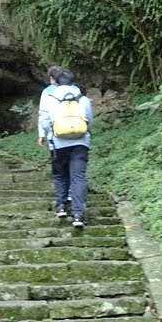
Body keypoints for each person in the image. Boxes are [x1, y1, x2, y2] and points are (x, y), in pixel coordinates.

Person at [37, 67, 93, 228]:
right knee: (78, 177)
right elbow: (89, 120)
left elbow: (44, 120)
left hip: (58, 143)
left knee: (60, 175)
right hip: (80, 142)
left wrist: (48, 135)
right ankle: (78, 215)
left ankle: (61, 207)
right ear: (73, 82)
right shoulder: (82, 99)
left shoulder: (50, 97)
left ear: (55, 81)